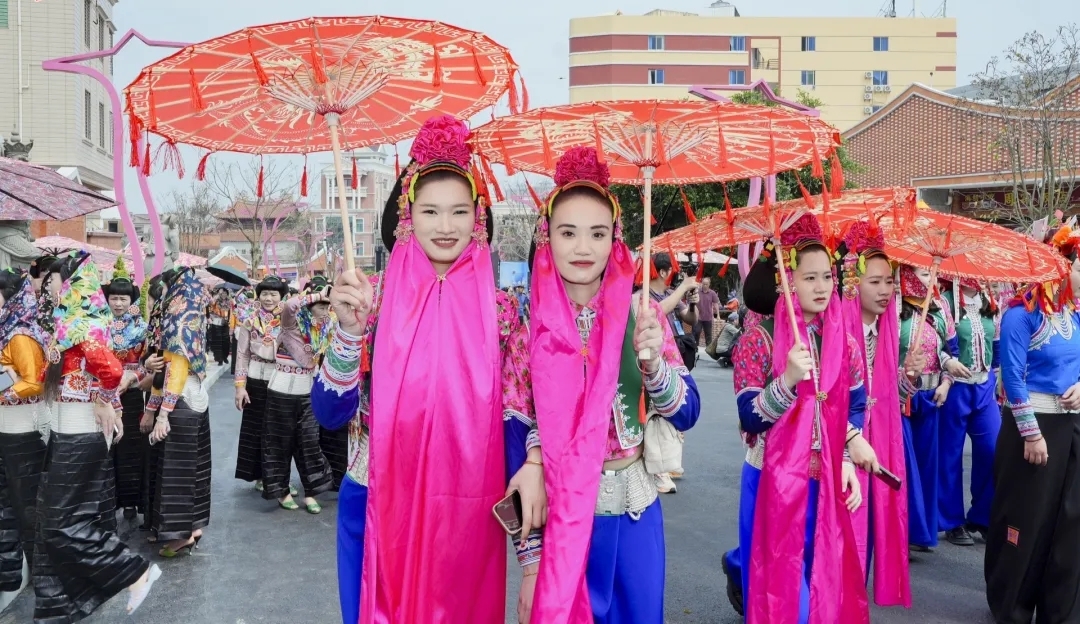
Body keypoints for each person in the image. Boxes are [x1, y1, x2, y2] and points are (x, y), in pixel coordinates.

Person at [310, 115, 543, 624]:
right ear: (407, 215)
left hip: (464, 516)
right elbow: (329, 413)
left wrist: (531, 557)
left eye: (459, 211)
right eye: (430, 210)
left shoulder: (503, 313)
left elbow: (516, 425)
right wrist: (349, 332)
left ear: (478, 217)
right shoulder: (371, 301)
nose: (444, 226)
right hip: (375, 504)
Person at [525, 146, 700, 623]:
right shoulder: (528, 325)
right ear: (547, 238)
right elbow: (514, 426)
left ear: (615, 240)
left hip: (636, 511)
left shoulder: (641, 316)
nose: (583, 248)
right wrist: (528, 561)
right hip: (563, 522)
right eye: (568, 233)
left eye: (597, 234)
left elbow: (688, 412)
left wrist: (653, 369)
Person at [720, 215, 870, 623]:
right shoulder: (758, 340)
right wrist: (785, 381)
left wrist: (844, 459)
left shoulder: (844, 341)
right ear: (787, 278)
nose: (822, 287)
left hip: (825, 485)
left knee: (823, 586)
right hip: (770, 479)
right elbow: (749, 418)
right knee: (779, 592)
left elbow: (855, 405)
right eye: (809, 278)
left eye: (827, 277)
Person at [34, 251, 160, 620]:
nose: (48, 286)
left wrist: (107, 400)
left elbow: (110, 368)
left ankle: (135, 572)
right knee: (52, 522)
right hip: (66, 431)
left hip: (79, 437)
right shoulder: (67, 323)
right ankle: (60, 604)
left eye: (53, 279)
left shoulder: (83, 327)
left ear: (71, 284)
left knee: (61, 523)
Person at [985, 226, 1080, 623]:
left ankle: (1062, 609)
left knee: (1069, 523)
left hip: (1071, 430)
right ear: (1058, 265)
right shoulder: (1019, 316)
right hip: (1032, 433)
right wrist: (1032, 434)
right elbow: (1014, 377)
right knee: (1026, 520)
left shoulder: (1075, 313)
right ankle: (1014, 606)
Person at [835, 221, 919, 607]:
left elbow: (887, 397)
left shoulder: (887, 331)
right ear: (854, 283)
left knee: (875, 520)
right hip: (845, 438)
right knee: (843, 523)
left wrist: (908, 376)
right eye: (875, 282)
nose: (885, 290)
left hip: (880, 437)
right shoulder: (839, 330)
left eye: (889, 282)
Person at [141, 267, 212, 558]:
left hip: (181, 402)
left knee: (178, 473)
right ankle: (192, 528)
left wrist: (161, 415)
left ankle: (181, 535)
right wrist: (150, 410)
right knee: (193, 468)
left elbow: (176, 372)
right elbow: (163, 370)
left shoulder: (180, 319)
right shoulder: (185, 316)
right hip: (189, 400)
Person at [898, 265, 960, 552]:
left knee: (926, 467)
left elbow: (950, 352)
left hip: (932, 396)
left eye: (932, 274)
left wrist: (946, 382)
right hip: (902, 398)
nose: (930, 279)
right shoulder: (894, 307)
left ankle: (921, 532)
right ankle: (903, 531)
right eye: (923, 274)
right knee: (906, 467)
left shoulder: (940, 308)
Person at [261, 283, 333, 512]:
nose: (324, 311)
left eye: (326, 307)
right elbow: (291, 304)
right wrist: (320, 293)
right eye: (321, 306)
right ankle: (281, 490)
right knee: (279, 444)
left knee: (310, 443)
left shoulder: (325, 328)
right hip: (281, 390)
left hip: (308, 391)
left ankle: (311, 493)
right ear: (310, 306)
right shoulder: (291, 323)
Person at [939, 277, 1000, 545]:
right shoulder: (945, 301)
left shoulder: (988, 299)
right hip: (955, 387)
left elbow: (996, 346)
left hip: (984, 385)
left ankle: (983, 516)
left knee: (992, 448)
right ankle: (952, 521)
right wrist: (947, 363)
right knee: (950, 454)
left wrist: (997, 377)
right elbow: (935, 342)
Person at [0, 269, 49, 592]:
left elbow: (34, 382)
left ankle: (43, 577)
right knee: (6, 504)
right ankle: (8, 573)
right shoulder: (6, 329)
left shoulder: (19, 334)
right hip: (6, 429)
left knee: (26, 506)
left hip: (22, 433)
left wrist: (4, 393)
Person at [102, 258, 149, 523]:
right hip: (103, 393)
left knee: (130, 447)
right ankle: (109, 500)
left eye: (123, 299)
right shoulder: (98, 326)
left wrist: (132, 377)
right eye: (114, 298)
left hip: (131, 395)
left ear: (131, 301)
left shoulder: (142, 328)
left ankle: (130, 502)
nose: (118, 303)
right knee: (106, 446)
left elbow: (146, 365)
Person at [233, 276, 288, 493]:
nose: (269, 298)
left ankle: (279, 477)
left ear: (282, 296)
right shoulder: (249, 318)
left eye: (274, 294)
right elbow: (242, 354)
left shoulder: (289, 317)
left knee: (281, 429)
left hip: (281, 376)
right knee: (257, 429)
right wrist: (240, 387)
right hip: (256, 376)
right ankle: (261, 476)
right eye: (265, 293)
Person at [206, 285, 232, 366]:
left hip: (226, 323)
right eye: (222, 293)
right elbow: (210, 303)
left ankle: (225, 357)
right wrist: (217, 294)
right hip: (216, 322)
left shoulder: (229, 301)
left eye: (225, 293)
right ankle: (219, 359)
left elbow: (233, 311)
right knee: (218, 342)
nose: (223, 295)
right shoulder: (215, 301)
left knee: (226, 341)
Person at [694, 276, 721, 346]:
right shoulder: (697, 291)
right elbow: (693, 301)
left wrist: (718, 315)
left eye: (706, 284)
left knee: (708, 335)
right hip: (698, 317)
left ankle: (708, 350)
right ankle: (695, 347)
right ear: (701, 284)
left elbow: (715, 304)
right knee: (696, 332)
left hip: (708, 317)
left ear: (709, 284)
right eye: (703, 284)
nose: (705, 285)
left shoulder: (712, 293)